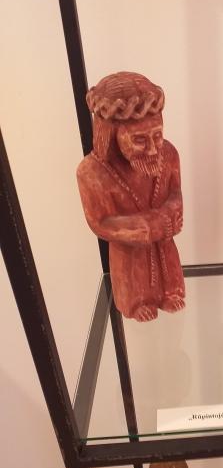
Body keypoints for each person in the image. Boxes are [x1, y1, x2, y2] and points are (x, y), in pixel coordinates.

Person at [77, 72, 185, 321]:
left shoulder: (169, 154)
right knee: (132, 272)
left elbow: (175, 191)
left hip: (164, 242)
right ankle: (136, 303)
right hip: (128, 252)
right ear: (110, 135)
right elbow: (99, 223)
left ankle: (170, 292)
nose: (153, 149)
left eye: (157, 135)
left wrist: (171, 210)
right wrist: (145, 226)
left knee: (170, 274)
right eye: (139, 140)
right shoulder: (91, 172)